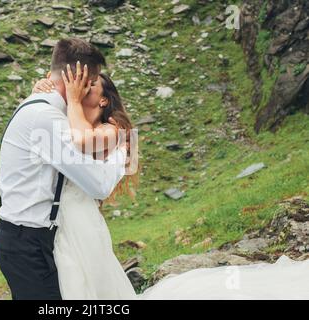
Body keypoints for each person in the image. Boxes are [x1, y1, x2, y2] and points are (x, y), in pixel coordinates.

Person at [31, 67, 309, 300]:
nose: (80, 86)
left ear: (104, 100)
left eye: (91, 84)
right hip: (59, 222)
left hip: (80, 223)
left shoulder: (113, 130)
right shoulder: (71, 119)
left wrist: (73, 101)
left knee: (85, 284)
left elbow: (79, 140)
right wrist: (45, 89)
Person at [0, 38, 128, 300]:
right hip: (26, 243)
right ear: (77, 79)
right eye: (90, 81)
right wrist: (121, 154)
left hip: (37, 239)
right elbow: (98, 185)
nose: (91, 87)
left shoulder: (45, 107)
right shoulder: (47, 118)